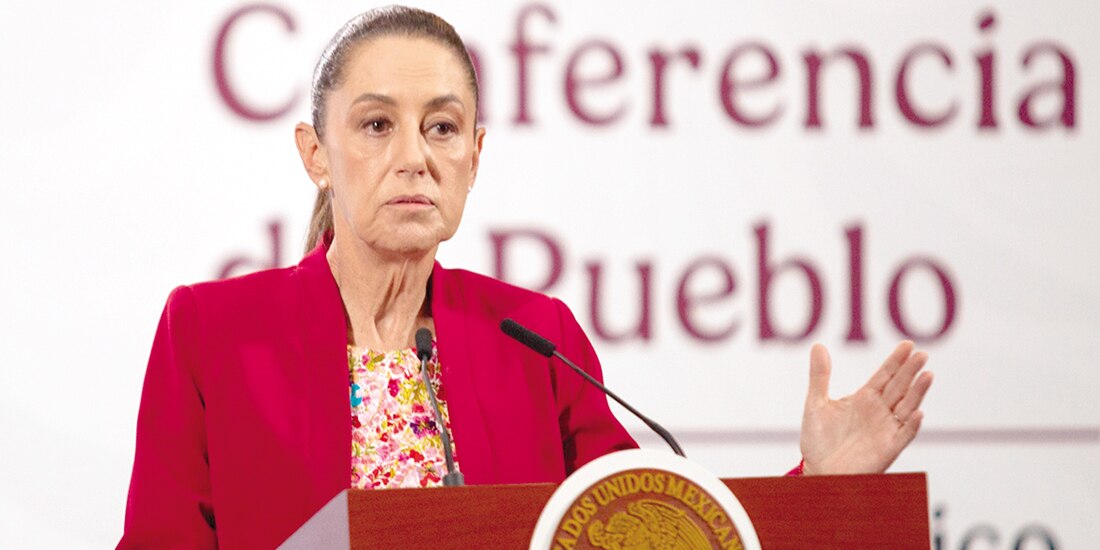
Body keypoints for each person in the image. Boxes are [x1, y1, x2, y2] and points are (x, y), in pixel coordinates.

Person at [118, 6, 932, 549]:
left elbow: (646, 530)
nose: (415, 157)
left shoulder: (535, 339)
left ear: (475, 156)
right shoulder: (213, 331)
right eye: (376, 124)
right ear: (315, 154)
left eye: (443, 127)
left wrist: (818, 486)